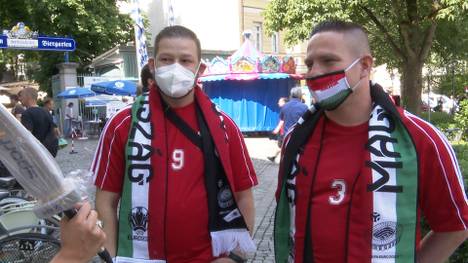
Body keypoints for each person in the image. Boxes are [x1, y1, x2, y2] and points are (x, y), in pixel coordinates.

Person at [274, 20, 467, 263]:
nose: (314, 73)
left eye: (328, 61)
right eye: (310, 64)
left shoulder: (420, 139)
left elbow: (454, 226)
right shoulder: (296, 138)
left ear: (364, 66)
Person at [92, 25, 257, 263]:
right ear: (153, 65)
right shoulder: (123, 123)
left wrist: (235, 257)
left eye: (185, 60)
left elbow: (244, 196)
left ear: (199, 69)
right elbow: (106, 202)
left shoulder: (224, 126)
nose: (175, 67)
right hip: (140, 258)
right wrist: (112, 258)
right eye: (166, 59)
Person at [19, 88, 59, 157]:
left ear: (27, 96)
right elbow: (56, 131)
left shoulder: (27, 113)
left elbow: (27, 135)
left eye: (21, 96)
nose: (20, 98)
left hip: (37, 152)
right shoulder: (46, 111)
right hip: (50, 151)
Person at [268, 97, 288, 162]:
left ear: (284, 102)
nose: (278, 103)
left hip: (283, 132)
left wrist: (276, 130)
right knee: (281, 146)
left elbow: (282, 121)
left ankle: (278, 158)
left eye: (280, 101)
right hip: (282, 131)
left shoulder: (285, 110)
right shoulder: (284, 109)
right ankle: (274, 157)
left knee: (282, 146)